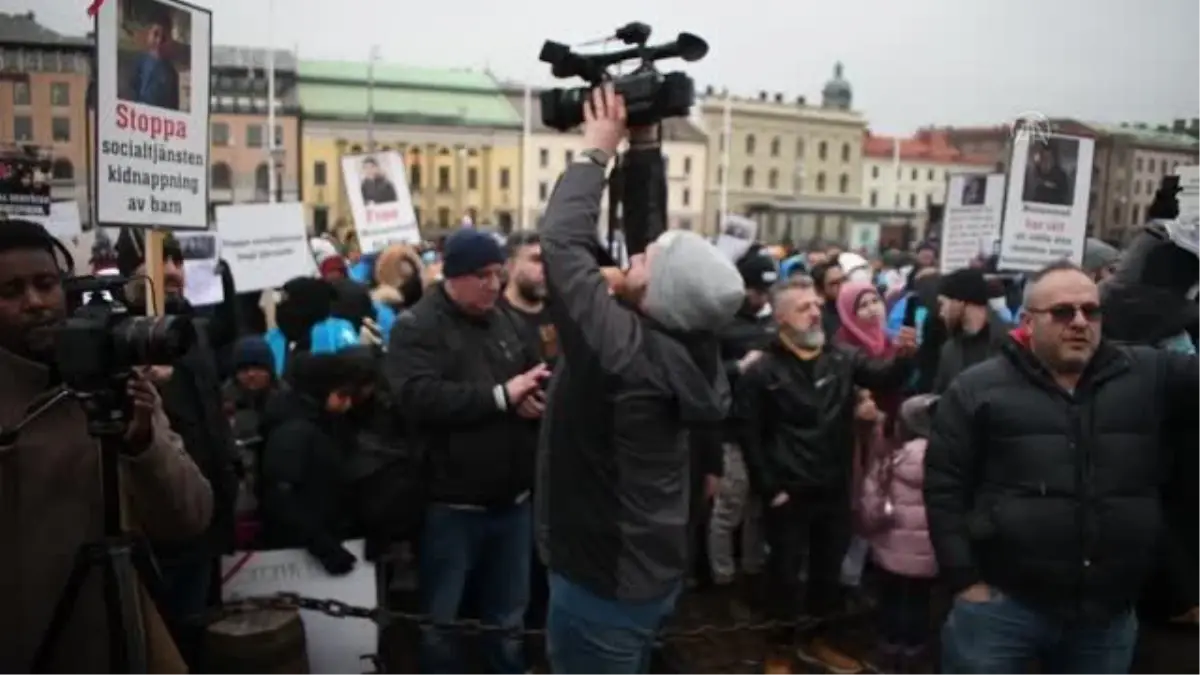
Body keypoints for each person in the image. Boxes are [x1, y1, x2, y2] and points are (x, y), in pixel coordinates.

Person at [537, 84, 745, 675]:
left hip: (602, 584)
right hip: (649, 569)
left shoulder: (623, 356)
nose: (637, 255)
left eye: (648, 260)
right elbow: (652, 241)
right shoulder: (690, 340)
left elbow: (561, 244)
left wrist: (597, 151)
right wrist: (647, 144)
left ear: (658, 292)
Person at [925, 260, 1200, 674]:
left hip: (1105, 615)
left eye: (1091, 311)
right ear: (1028, 321)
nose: (1079, 322)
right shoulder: (976, 388)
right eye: (1062, 312)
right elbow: (944, 486)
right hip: (1002, 608)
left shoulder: (1145, 374)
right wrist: (964, 580)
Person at [0, 219, 212, 675]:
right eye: (12, 291)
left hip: (121, 635)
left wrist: (142, 446)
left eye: (45, 284)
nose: (34, 302)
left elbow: (191, 516)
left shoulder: (120, 384)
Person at [387, 227, 547, 675]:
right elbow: (418, 397)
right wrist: (500, 396)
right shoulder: (416, 327)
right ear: (453, 277)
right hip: (450, 506)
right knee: (442, 618)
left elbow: (528, 375)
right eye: (482, 275)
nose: (494, 284)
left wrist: (533, 400)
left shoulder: (506, 320)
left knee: (508, 616)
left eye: (497, 273)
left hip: (513, 503)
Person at [735, 275, 916, 673]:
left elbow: (883, 376)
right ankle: (779, 649)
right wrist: (771, 490)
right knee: (783, 575)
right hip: (789, 491)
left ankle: (818, 641)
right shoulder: (762, 370)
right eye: (804, 307)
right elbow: (750, 436)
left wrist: (904, 357)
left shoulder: (840, 359)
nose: (816, 312)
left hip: (832, 486)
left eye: (817, 306)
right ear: (781, 317)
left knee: (827, 573)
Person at [115, 228, 239, 667]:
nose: (170, 271)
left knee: (202, 635)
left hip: (207, 515)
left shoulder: (191, 330)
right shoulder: (117, 335)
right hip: (160, 532)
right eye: (156, 260)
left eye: (178, 261)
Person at [258, 350, 376, 573]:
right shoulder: (294, 431)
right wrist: (323, 546)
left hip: (327, 540)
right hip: (299, 553)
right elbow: (280, 498)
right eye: (342, 395)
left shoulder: (327, 424)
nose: (348, 403)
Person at [707, 252, 777, 590]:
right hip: (731, 429)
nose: (761, 298)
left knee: (756, 506)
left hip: (764, 428)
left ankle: (752, 568)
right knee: (729, 505)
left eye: (766, 292)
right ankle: (722, 575)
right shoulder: (721, 324)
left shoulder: (769, 323)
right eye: (755, 291)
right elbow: (705, 374)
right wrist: (740, 367)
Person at [858, 394, 939, 672]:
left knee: (891, 598)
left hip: (891, 546)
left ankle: (888, 648)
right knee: (919, 601)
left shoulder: (894, 459)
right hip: (927, 551)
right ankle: (914, 651)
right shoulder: (946, 458)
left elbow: (872, 499)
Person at [932, 268, 1011, 394]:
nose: (941, 313)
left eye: (942, 303)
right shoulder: (950, 348)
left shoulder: (1012, 341)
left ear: (959, 301)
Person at [129, 8, 180, 111]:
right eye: (155, 34)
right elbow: (129, 92)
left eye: (164, 37)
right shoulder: (137, 62)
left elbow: (173, 107)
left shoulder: (171, 73)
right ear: (148, 34)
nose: (159, 40)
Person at [1024, 141, 1073, 206]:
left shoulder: (1061, 175)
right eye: (1044, 158)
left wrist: (1050, 185)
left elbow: (1064, 192)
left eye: (1049, 158)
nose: (1047, 161)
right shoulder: (1033, 173)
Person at [810, 260, 846, 338]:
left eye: (844, 279)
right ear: (820, 290)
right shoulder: (820, 320)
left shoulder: (859, 307)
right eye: (834, 283)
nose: (842, 285)